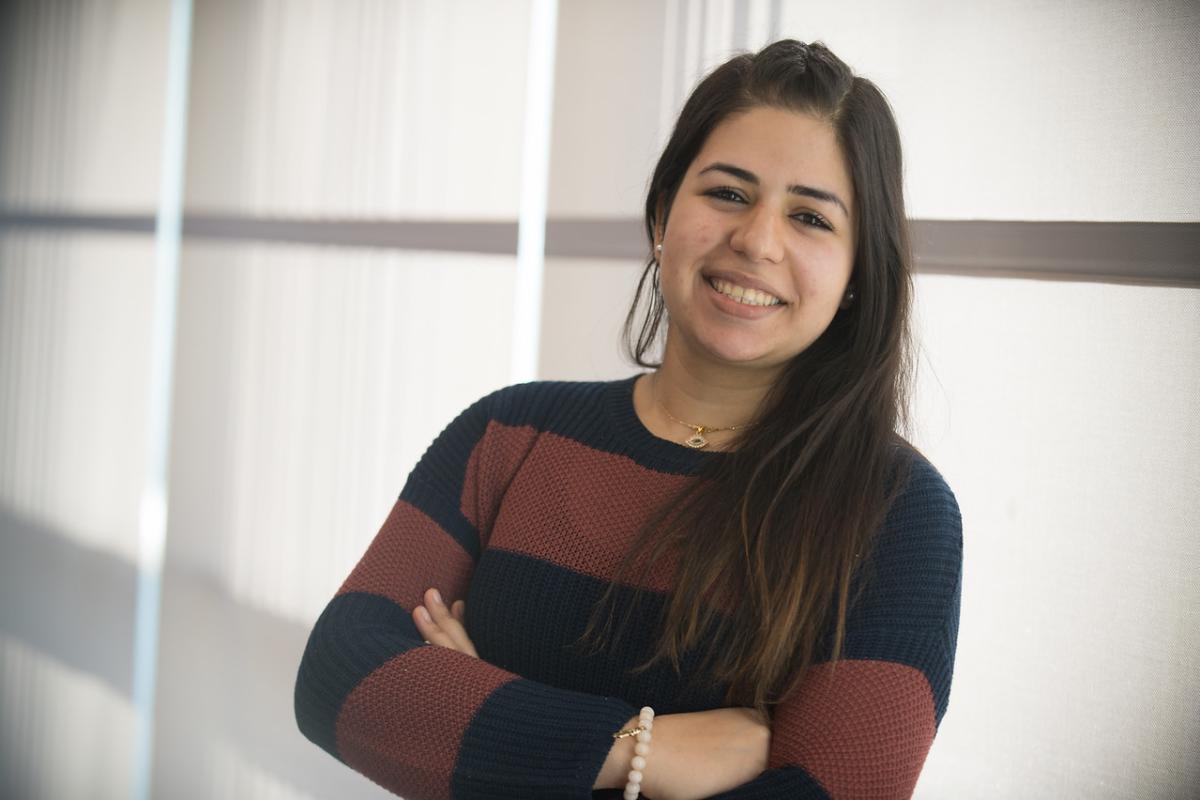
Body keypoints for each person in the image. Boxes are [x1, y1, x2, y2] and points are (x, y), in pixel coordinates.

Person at [294, 39, 962, 800]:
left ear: (855, 276)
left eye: (810, 217)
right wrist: (639, 751)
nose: (757, 240)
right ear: (661, 215)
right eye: (729, 194)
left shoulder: (898, 513)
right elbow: (339, 680)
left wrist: (480, 724)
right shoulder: (509, 435)